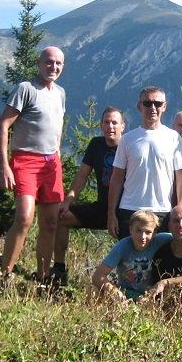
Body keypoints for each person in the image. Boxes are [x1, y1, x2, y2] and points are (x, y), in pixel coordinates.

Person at [0, 46, 66, 281]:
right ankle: (5, 274)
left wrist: (57, 152)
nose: (53, 67)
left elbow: (57, 126)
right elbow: (3, 125)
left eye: (58, 63)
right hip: (26, 160)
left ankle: (43, 277)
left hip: (51, 163)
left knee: (50, 222)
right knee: (25, 218)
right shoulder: (26, 89)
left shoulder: (60, 93)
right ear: (39, 63)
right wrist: (4, 165)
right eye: (49, 62)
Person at [50, 107, 125, 283]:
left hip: (124, 210)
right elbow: (82, 176)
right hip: (101, 208)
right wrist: (68, 201)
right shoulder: (96, 145)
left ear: (123, 126)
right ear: (101, 125)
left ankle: (127, 282)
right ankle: (59, 270)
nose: (110, 126)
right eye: (106, 122)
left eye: (114, 123)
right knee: (62, 217)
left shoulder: (129, 145)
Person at [107, 86, 182, 239]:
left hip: (163, 211)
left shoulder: (174, 138)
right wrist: (111, 214)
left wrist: (180, 211)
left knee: (161, 255)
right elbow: (116, 178)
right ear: (139, 106)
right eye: (147, 103)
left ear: (164, 107)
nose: (153, 108)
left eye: (158, 104)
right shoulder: (126, 139)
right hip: (129, 209)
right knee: (128, 255)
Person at [91, 209, 182, 302]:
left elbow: (181, 232)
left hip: (149, 295)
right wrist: (115, 293)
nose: (143, 237)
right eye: (138, 230)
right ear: (130, 229)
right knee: (93, 289)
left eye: (148, 232)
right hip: (124, 292)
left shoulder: (159, 240)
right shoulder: (122, 246)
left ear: (155, 233)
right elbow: (98, 276)